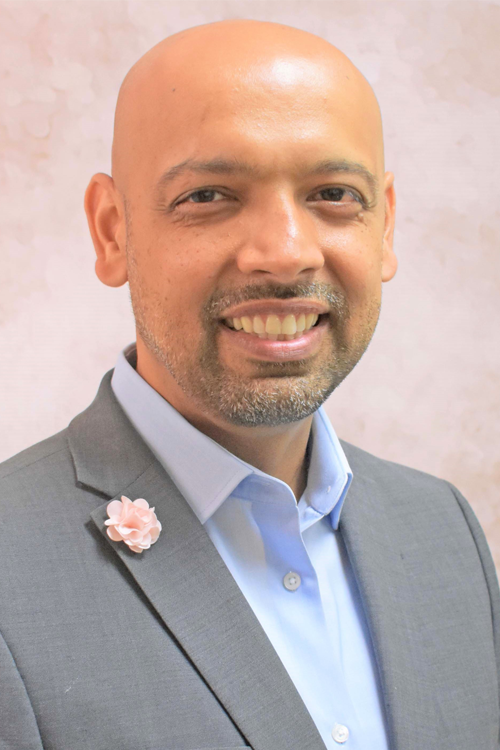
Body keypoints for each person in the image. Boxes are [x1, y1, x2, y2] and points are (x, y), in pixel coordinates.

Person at [0, 18, 498, 750]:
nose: (284, 253)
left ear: (385, 226)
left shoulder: (442, 531)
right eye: (208, 196)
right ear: (113, 233)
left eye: (333, 192)